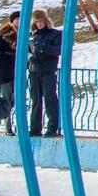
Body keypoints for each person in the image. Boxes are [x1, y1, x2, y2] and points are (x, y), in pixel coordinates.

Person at [27, 9, 62, 137]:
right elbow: (28, 50)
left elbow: (58, 50)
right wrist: (30, 56)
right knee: (35, 100)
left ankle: (52, 127)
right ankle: (35, 128)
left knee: (50, 99)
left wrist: (44, 49)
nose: (39, 24)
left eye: (41, 21)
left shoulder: (55, 34)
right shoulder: (33, 35)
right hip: (34, 70)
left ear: (45, 21)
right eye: (37, 22)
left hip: (48, 70)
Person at [0, 12, 19, 136]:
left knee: (16, 100)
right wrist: (10, 48)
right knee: (6, 99)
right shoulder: (4, 34)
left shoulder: (24, 34)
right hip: (5, 72)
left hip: (18, 71)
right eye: (17, 19)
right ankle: (8, 126)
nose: (19, 21)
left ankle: (18, 124)